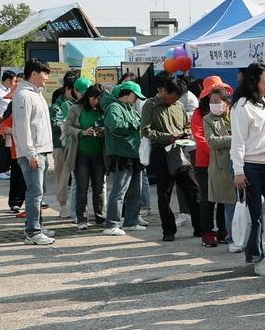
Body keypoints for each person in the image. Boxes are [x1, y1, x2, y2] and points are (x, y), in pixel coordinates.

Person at [141, 76, 205, 243]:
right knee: (164, 193)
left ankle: (200, 227)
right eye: (174, 96)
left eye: (178, 97)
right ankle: (168, 230)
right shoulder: (151, 105)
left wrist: (185, 133)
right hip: (161, 151)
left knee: (193, 189)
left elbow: (185, 125)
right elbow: (146, 131)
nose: (175, 100)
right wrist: (167, 137)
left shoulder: (180, 106)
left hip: (180, 151)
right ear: (166, 92)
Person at [230, 62, 265, 275]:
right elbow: (238, 141)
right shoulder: (242, 106)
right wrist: (238, 170)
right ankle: (257, 257)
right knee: (255, 215)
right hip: (251, 166)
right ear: (254, 81)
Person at [11, 59, 55, 245]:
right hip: (33, 153)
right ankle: (33, 232)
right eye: (44, 73)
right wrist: (30, 153)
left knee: (39, 192)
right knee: (34, 193)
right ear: (34, 73)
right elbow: (22, 127)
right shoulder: (23, 95)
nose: (47, 77)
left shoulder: (36, 94)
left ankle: (38, 227)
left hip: (41, 150)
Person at [191, 77, 234, 247]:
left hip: (227, 160)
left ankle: (223, 230)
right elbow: (201, 138)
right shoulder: (199, 114)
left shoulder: (230, 112)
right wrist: (218, 153)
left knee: (225, 196)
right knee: (208, 198)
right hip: (205, 162)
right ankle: (207, 232)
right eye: (211, 97)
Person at [102, 81, 146, 236]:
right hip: (122, 154)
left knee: (135, 190)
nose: (137, 100)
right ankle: (112, 224)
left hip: (134, 153)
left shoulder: (130, 108)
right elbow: (115, 126)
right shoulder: (114, 108)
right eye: (136, 96)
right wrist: (135, 123)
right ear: (128, 93)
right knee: (119, 191)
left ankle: (131, 221)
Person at [66, 82, 107, 230]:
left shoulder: (103, 110)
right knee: (82, 188)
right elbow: (67, 127)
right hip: (81, 154)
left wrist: (103, 131)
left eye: (99, 99)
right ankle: (82, 219)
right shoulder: (76, 108)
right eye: (93, 98)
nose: (96, 102)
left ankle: (100, 216)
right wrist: (82, 132)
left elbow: (110, 126)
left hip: (99, 155)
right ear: (88, 96)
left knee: (99, 187)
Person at [49, 73, 80, 215]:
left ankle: (78, 207)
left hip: (77, 144)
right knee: (62, 176)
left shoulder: (78, 103)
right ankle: (62, 206)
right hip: (60, 145)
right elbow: (55, 124)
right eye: (75, 90)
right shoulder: (57, 106)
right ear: (68, 89)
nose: (77, 93)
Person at [0, 70, 19, 179]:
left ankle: (5, 169)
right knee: (2, 149)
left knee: (8, 149)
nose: (15, 83)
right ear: (8, 80)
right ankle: (0, 171)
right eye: (14, 81)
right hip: (0, 123)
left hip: (9, 123)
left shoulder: (9, 91)